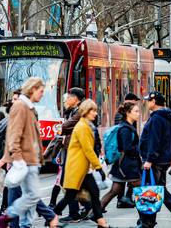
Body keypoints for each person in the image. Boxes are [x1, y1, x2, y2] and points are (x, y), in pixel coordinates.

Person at [0, 77, 49, 228]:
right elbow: (13, 136)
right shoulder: (20, 106)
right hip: (24, 160)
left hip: (30, 159)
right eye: (41, 91)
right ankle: (8, 217)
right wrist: (17, 160)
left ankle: (21, 223)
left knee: (29, 196)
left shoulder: (29, 107)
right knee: (32, 195)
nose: (42, 94)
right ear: (32, 89)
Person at [52, 99, 109, 228]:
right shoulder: (82, 126)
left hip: (83, 169)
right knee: (70, 196)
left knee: (92, 194)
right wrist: (98, 167)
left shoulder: (86, 125)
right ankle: (51, 217)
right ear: (85, 112)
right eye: (93, 111)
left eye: (95, 110)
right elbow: (88, 149)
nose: (95, 113)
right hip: (78, 169)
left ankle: (100, 220)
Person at [139, 91, 171, 228]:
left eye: (148, 101)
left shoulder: (156, 118)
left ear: (153, 102)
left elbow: (154, 141)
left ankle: (149, 222)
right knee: (158, 189)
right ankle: (151, 221)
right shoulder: (168, 117)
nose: (147, 103)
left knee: (153, 190)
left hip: (155, 161)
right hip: (164, 159)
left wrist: (149, 159)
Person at [100, 101, 141, 210]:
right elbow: (127, 148)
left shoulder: (127, 127)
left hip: (122, 165)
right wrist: (140, 150)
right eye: (136, 111)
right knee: (143, 190)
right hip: (128, 166)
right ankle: (146, 219)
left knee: (115, 190)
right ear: (128, 113)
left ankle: (96, 212)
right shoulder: (125, 129)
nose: (138, 114)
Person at [58, 87, 87, 222]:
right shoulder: (72, 110)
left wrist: (60, 128)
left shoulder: (80, 111)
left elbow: (64, 127)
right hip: (70, 149)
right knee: (75, 183)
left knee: (69, 182)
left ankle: (76, 211)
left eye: (68, 97)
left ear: (75, 99)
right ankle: (89, 207)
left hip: (74, 150)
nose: (66, 99)